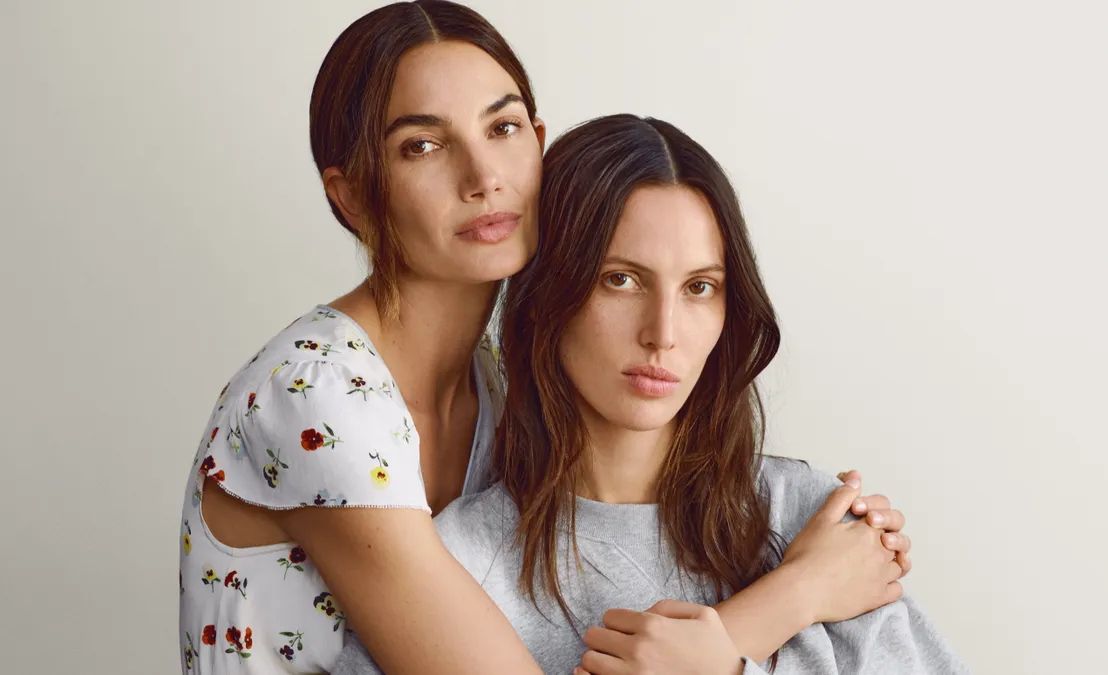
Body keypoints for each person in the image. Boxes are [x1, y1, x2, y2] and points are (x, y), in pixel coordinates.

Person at [178, 3, 911, 673]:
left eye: (500, 130)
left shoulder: (495, 381)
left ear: (537, 141)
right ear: (352, 194)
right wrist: (797, 591)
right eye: (423, 146)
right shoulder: (315, 398)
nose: (483, 176)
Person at [331, 115, 965, 675]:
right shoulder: (455, 566)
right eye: (622, 279)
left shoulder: (816, 525)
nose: (662, 334)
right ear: (552, 292)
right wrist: (780, 607)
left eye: (698, 288)